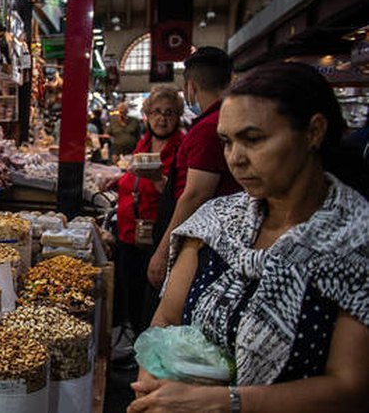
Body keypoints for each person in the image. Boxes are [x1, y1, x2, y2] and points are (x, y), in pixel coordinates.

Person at [128, 63, 369, 412]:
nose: (235, 159)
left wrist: (229, 403)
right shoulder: (216, 222)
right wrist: (152, 380)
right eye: (227, 142)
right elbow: (165, 320)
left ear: (314, 132)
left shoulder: (356, 242)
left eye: (253, 139)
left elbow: (350, 387)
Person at [147, 47, 241, 289]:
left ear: (190, 86)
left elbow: (196, 194)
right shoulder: (223, 120)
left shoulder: (207, 129)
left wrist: (163, 251)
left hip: (200, 241)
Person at [114, 86, 185, 338]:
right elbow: (132, 180)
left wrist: (158, 181)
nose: (162, 119)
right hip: (129, 235)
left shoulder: (181, 147)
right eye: (156, 112)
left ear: (178, 116)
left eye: (169, 113)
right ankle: (133, 344)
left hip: (155, 239)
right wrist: (115, 181)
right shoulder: (144, 142)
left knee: (150, 302)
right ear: (147, 114)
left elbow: (183, 198)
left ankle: (144, 355)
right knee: (130, 294)